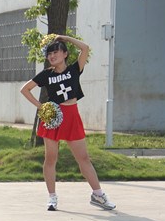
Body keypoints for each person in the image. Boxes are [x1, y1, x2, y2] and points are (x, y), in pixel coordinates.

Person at [20, 35, 116, 211]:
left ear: (65, 54)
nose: (52, 56)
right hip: (53, 117)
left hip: (72, 116)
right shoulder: (46, 74)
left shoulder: (74, 69)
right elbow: (25, 89)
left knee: (83, 158)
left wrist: (65, 38)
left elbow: (85, 48)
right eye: (49, 54)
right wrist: (41, 107)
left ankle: (98, 195)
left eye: (56, 52)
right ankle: (52, 197)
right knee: (51, 158)